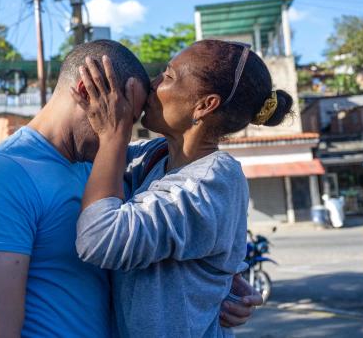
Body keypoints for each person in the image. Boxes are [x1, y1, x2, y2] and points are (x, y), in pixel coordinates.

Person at [0, 40, 262, 337]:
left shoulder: (108, 168)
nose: (123, 132)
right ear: (87, 92)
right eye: (124, 119)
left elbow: (192, 214)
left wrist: (219, 282)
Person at [72, 40, 294, 337]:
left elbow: (99, 239)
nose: (153, 84)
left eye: (169, 76)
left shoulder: (211, 181)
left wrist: (113, 135)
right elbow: (89, 159)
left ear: (205, 105)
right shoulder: (154, 157)